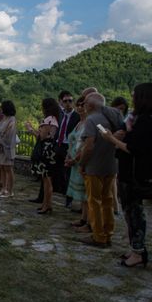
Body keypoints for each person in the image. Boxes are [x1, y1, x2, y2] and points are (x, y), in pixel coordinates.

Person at [100, 83, 152, 267]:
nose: (132, 97)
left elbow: (133, 148)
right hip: (138, 170)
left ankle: (138, 251)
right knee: (131, 211)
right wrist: (123, 133)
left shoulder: (145, 120)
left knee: (134, 212)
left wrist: (111, 139)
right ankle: (135, 248)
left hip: (135, 172)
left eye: (135, 95)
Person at [78, 92, 124, 248]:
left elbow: (89, 146)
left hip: (95, 167)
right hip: (111, 165)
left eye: (84, 103)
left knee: (94, 202)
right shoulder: (116, 116)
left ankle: (98, 236)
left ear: (90, 105)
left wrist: (82, 164)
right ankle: (108, 233)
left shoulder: (91, 119)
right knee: (108, 201)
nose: (83, 105)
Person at [27, 98, 61, 214]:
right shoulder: (54, 119)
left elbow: (41, 136)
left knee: (47, 180)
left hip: (46, 150)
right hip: (49, 150)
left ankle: (47, 205)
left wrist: (31, 129)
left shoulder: (49, 120)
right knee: (47, 179)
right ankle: (46, 204)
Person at [65, 96, 89, 230]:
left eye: (83, 105)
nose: (80, 108)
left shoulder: (87, 124)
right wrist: (69, 156)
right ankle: (83, 218)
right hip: (73, 159)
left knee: (85, 193)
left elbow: (85, 145)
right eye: (78, 105)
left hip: (80, 160)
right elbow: (73, 142)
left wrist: (74, 159)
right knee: (82, 194)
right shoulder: (79, 123)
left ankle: (86, 221)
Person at [56, 91, 80, 206]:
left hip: (69, 147)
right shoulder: (60, 115)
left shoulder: (77, 116)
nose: (68, 103)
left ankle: (69, 199)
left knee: (69, 173)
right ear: (61, 102)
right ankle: (62, 192)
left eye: (70, 101)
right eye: (65, 101)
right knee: (59, 172)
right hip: (58, 145)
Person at [0, 101, 17, 197]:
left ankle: (10, 191)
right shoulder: (5, 118)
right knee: (2, 167)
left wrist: (0, 141)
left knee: (8, 168)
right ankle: (3, 189)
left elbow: (9, 132)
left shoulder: (12, 119)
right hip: (1, 146)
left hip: (7, 146)